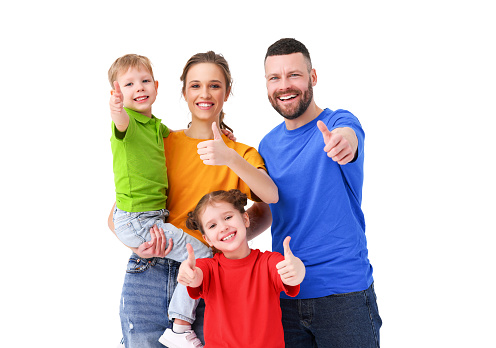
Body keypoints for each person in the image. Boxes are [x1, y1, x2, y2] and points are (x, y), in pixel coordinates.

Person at [108, 51, 276, 348]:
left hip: (208, 277)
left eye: (215, 85)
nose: (205, 93)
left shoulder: (242, 154)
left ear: (227, 93)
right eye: (195, 85)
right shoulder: (162, 141)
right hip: (150, 270)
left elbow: (268, 203)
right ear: (183, 92)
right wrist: (140, 246)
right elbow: (116, 214)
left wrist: (225, 240)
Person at [255, 38, 382, 347]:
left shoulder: (338, 121)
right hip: (287, 293)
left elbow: (347, 138)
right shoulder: (266, 146)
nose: (284, 85)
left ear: (312, 77)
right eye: (275, 78)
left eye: (294, 75)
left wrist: (342, 143)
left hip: (344, 296)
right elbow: (270, 211)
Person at [108, 53, 215, 346]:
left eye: (144, 81)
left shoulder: (154, 126)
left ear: (156, 86)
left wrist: (217, 130)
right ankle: (181, 327)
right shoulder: (127, 123)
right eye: (128, 84)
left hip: (150, 218)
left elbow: (182, 137)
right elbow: (119, 122)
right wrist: (117, 109)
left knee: (198, 256)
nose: (139, 88)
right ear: (117, 92)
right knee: (203, 256)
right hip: (138, 219)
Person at [178, 189, 305, 348]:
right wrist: (188, 272)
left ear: (245, 219)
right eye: (212, 225)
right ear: (207, 239)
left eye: (228, 217)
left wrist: (297, 269)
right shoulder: (208, 268)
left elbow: (291, 272)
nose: (223, 227)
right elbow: (196, 275)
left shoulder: (269, 262)